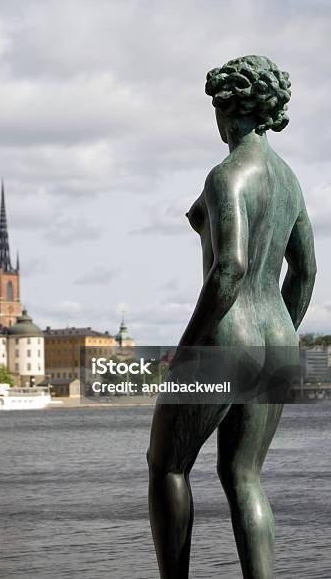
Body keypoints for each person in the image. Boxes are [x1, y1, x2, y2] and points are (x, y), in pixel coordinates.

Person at [147, 55, 316, 579]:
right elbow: (305, 273)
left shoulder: (227, 175)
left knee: (167, 465)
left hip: (229, 333)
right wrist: (277, 340)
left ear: (230, 110)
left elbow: (230, 269)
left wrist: (189, 349)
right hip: (279, 339)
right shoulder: (289, 182)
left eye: (216, 109)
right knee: (245, 477)